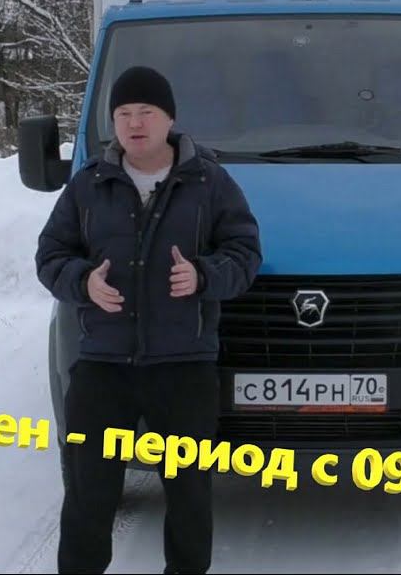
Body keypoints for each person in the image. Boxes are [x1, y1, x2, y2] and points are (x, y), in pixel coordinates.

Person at [35, 65, 263, 575]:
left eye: (146, 112)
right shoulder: (89, 185)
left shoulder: (209, 182)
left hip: (182, 368)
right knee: (89, 492)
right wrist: (83, 281)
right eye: (123, 114)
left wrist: (203, 276)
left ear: (170, 119)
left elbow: (245, 254)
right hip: (103, 366)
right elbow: (50, 256)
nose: (135, 123)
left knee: (188, 494)